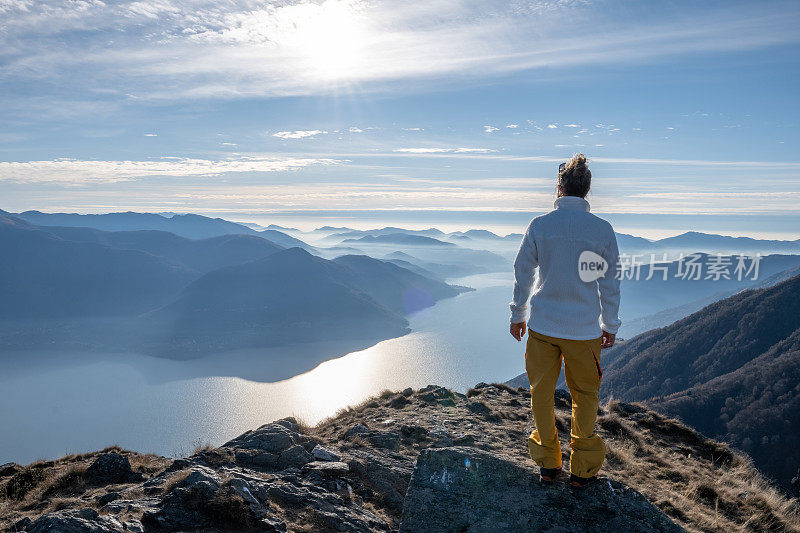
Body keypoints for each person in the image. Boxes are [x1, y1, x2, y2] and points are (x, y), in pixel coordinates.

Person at [509, 154, 621, 488]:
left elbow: (523, 270)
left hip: (543, 328)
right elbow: (608, 281)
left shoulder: (540, 225)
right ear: (587, 189)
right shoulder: (601, 230)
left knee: (540, 394)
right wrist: (610, 324)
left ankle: (548, 464)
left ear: (559, 186)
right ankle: (583, 470)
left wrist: (518, 314)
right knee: (584, 396)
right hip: (584, 331)